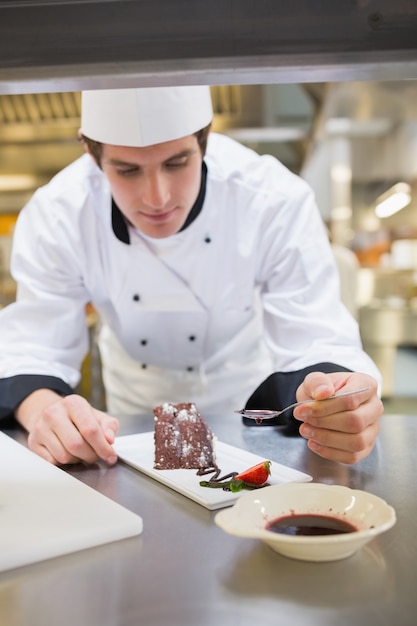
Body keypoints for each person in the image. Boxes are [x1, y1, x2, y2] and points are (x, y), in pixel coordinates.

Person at [0, 85, 383, 467]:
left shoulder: (272, 198)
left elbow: (316, 336)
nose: (157, 198)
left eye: (177, 162)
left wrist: (337, 398)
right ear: (90, 151)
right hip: (132, 415)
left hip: (243, 403)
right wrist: (45, 413)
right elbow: (35, 344)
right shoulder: (59, 213)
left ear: (205, 140)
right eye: (128, 170)